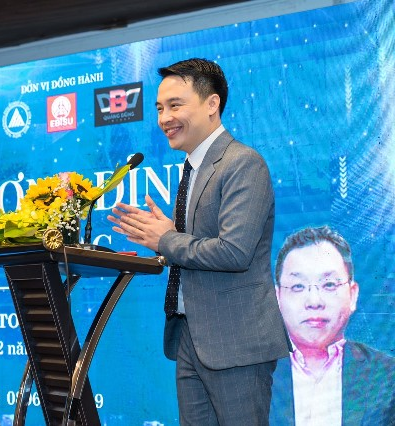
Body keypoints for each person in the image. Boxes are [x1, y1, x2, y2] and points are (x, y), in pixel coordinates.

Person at [108, 58, 290, 425]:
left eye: (175, 105)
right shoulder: (193, 168)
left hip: (235, 343)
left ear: (212, 104)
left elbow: (234, 252)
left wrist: (167, 239)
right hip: (190, 337)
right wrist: (165, 237)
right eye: (159, 108)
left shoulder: (242, 163)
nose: (164, 118)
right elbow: (194, 245)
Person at [270, 225, 395, 425]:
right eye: (298, 286)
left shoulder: (387, 377)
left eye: (329, 285)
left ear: (352, 295)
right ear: (278, 297)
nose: (314, 301)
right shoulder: (248, 375)